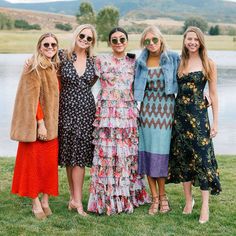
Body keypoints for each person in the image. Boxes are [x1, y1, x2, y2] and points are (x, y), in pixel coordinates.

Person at [87, 27, 150, 215]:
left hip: (127, 113)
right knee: (107, 155)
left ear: (127, 40)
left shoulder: (135, 62)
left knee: (127, 155)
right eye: (114, 40)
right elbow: (85, 81)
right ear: (109, 43)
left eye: (122, 39)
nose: (119, 42)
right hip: (106, 114)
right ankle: (106, 197)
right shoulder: (100, 61)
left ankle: (128, 196)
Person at [167, 26, 222, 223]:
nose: (192, 42)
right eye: (189, 39)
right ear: (184, 41)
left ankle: (205, 205)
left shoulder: (209, 63)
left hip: (199, 118)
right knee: (184, 159)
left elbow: (214, 94)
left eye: (195, 39)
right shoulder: (178, 62)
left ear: (200, 42)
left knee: (202, 160)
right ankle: (189, 201)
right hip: (179, 117)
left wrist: (215, 122)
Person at [11, 33, 60, 219]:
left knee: (48, 165)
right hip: (37, 126)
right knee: (32, 164)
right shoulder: (34, 66)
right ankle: (35, 201)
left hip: (53, 125)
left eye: (53, 44)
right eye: (46, 44)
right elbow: (32, 99)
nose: (50, 47)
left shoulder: (55, 66)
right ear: (39, 46)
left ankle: (46, 199)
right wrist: (40, 123)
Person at [134, 26, 180, 215]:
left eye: (154, 40)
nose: (151, 44)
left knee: (160, 155)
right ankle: (154, 198)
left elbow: (188, 76)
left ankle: (163, 196)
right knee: (147, 154)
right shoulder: (140, 61)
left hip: (166, 111)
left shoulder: (173, 58)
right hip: (146, 112)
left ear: (161, 40)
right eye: (147, 41)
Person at [58, 24, 97, 216]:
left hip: (86, 112)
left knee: (79, 156)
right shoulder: (61, 56)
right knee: (68, 155)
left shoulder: (94, 62)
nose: (85, 40)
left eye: (89, 38)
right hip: (65, 110)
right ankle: (72, 198)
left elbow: (93, 83)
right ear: (76, 35)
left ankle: (78, 202)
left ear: (92, 42)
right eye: (83, 35)